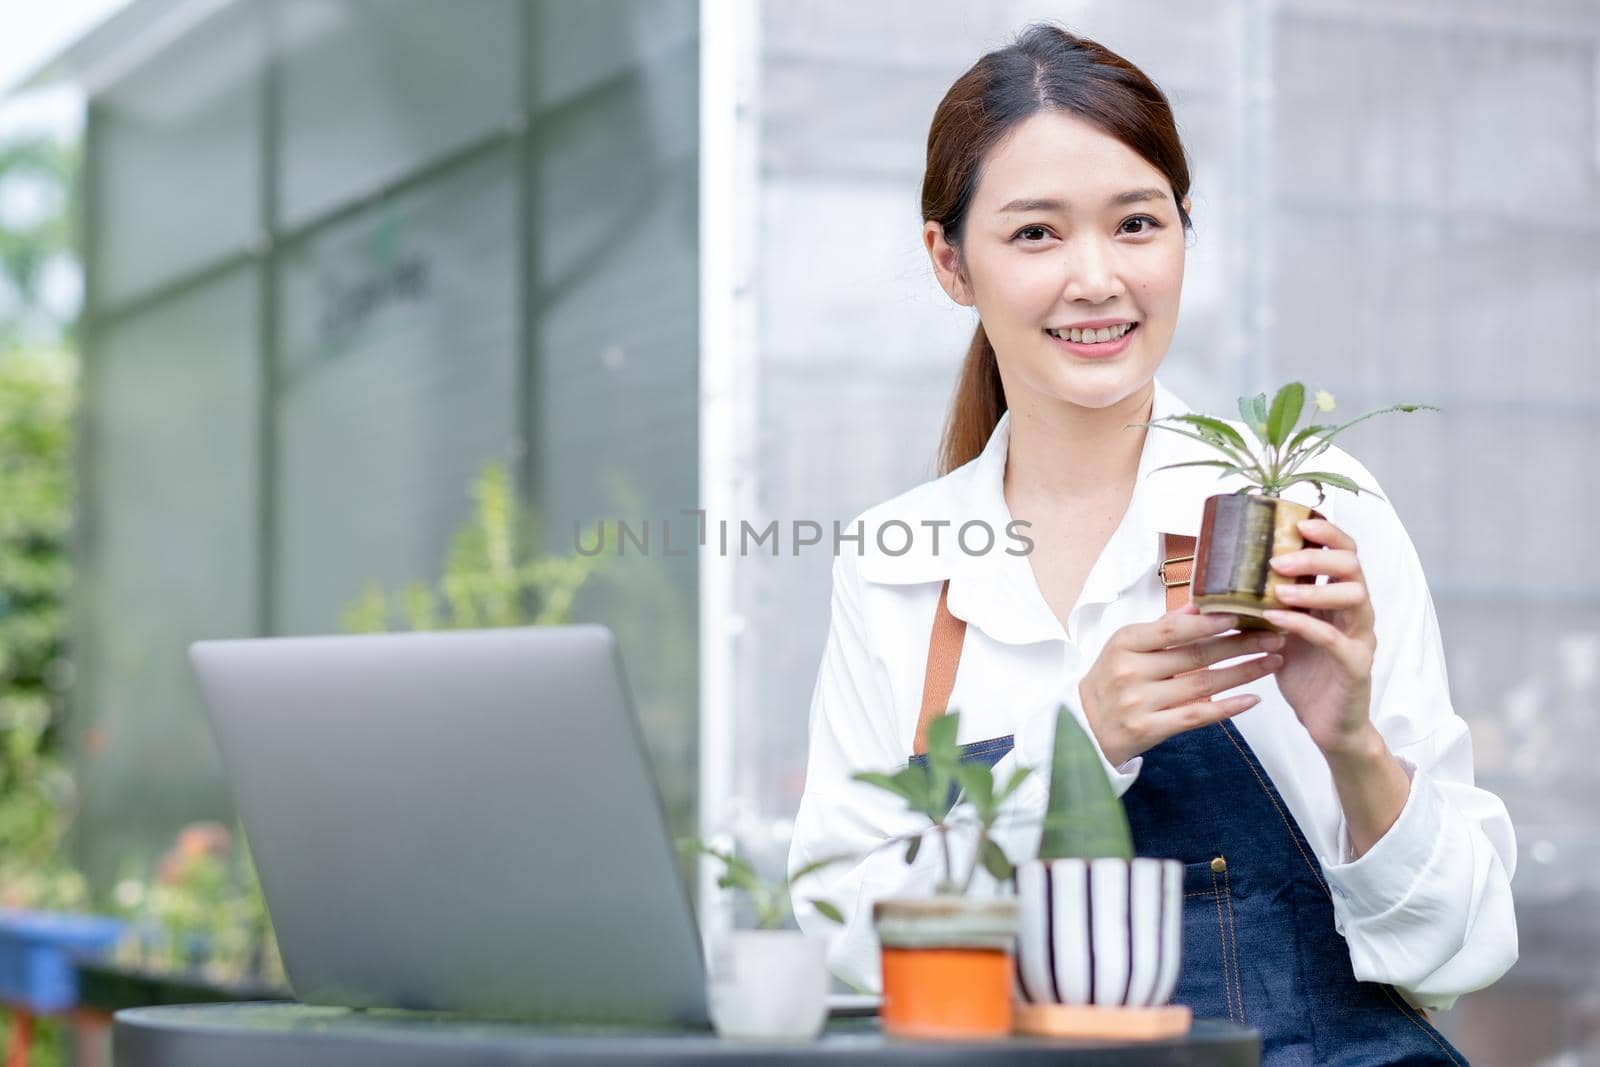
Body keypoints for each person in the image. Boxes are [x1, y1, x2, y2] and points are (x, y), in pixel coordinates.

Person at [787, 23, 1516, 1066]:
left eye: (1136, 224)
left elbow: (1462, 950)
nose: (1097, 279)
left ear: (1183, 232)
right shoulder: (899, 560)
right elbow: (841, 932)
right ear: (950, 262)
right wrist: (1080, 744)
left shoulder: (1306, 506)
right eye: (1036, 234)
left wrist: (1352, 743)